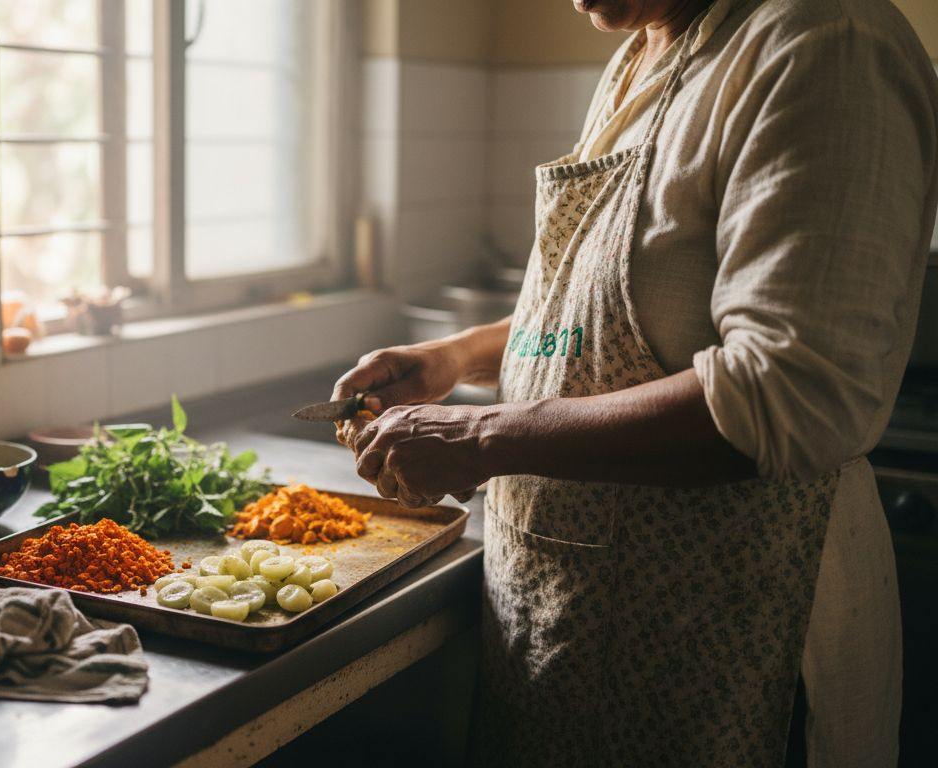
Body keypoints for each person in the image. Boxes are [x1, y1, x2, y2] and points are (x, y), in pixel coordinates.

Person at [334, 0, 938, 764]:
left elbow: (784, 393)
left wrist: (482, 435)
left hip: (726, 640)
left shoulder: (823, 45)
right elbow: (602, 318)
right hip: (580, 623)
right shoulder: (648, 49)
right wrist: (455, 360)